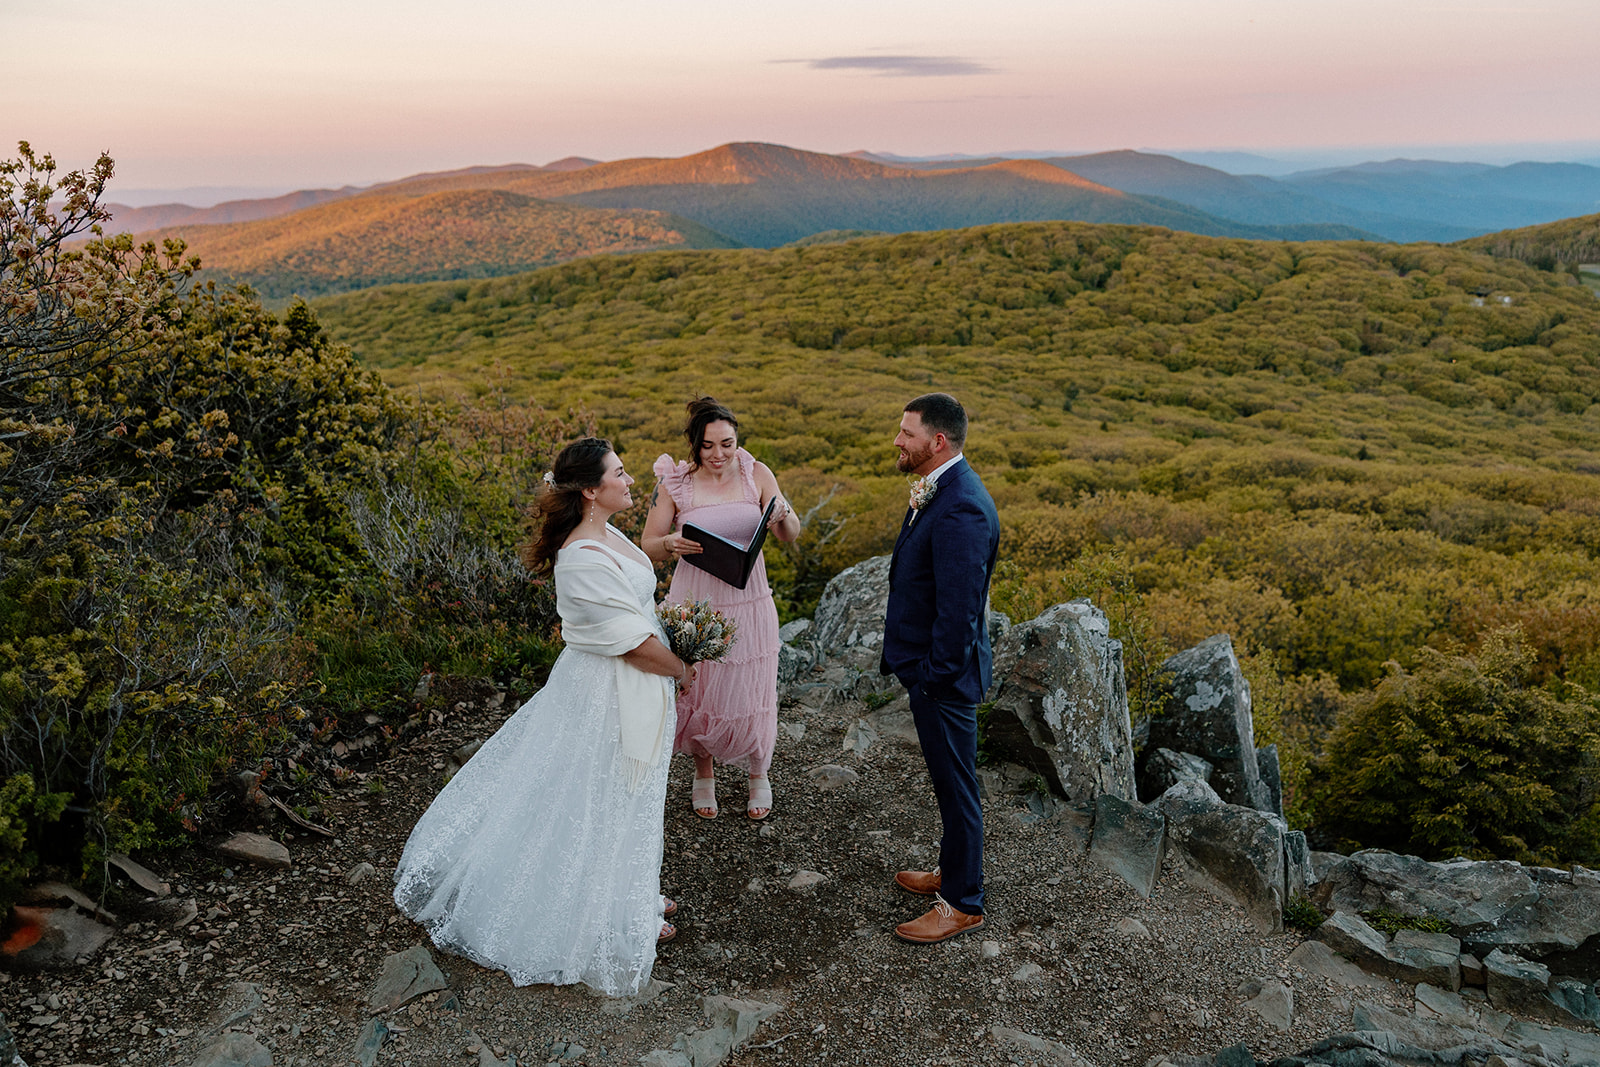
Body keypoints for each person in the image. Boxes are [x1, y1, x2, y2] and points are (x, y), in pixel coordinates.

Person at [393, 437, 695, 997]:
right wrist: (681, 667)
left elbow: (638, 606)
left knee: (628, 793)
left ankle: (624, 892)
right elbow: (627, 643)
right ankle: (591, 917)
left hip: (634, 687)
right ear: (590, 490)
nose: (629, 481)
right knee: (599, 792)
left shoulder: (609, 534)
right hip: (606, 694)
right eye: (620, 473)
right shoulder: (580, 556)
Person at [879, 393, 1000, 944]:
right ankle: (952, 874)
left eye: (907, 433)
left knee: (957, 788)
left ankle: (964, 903)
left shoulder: (962, 506)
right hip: (929, 671)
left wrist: (931, 676)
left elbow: (960, 611)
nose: (898, 441)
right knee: (948, 784)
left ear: (938, 441)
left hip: (944, 678)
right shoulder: (940, 487)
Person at [643, 397, 800, 820]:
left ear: (737, 440)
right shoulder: (675, 483)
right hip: (697, 600)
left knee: (753, 681)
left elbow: (790, 532)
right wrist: (670, 544)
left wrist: (782, 514)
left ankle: (758, 771)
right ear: (695, 445)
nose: (719, 455)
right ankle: (703, 771)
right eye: (708, 446)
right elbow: (648, 544)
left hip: (749, 598)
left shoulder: (756, 473)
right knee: (702, 684)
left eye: (727, 444)